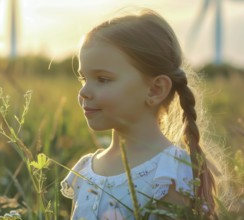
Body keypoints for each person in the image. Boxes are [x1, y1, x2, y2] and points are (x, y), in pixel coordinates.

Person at [60, 8, 219, 219]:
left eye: (103, 79)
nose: (84, 92)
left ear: (155, 89)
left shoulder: (169, 172)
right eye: (83, 79)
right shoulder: (86, 169)